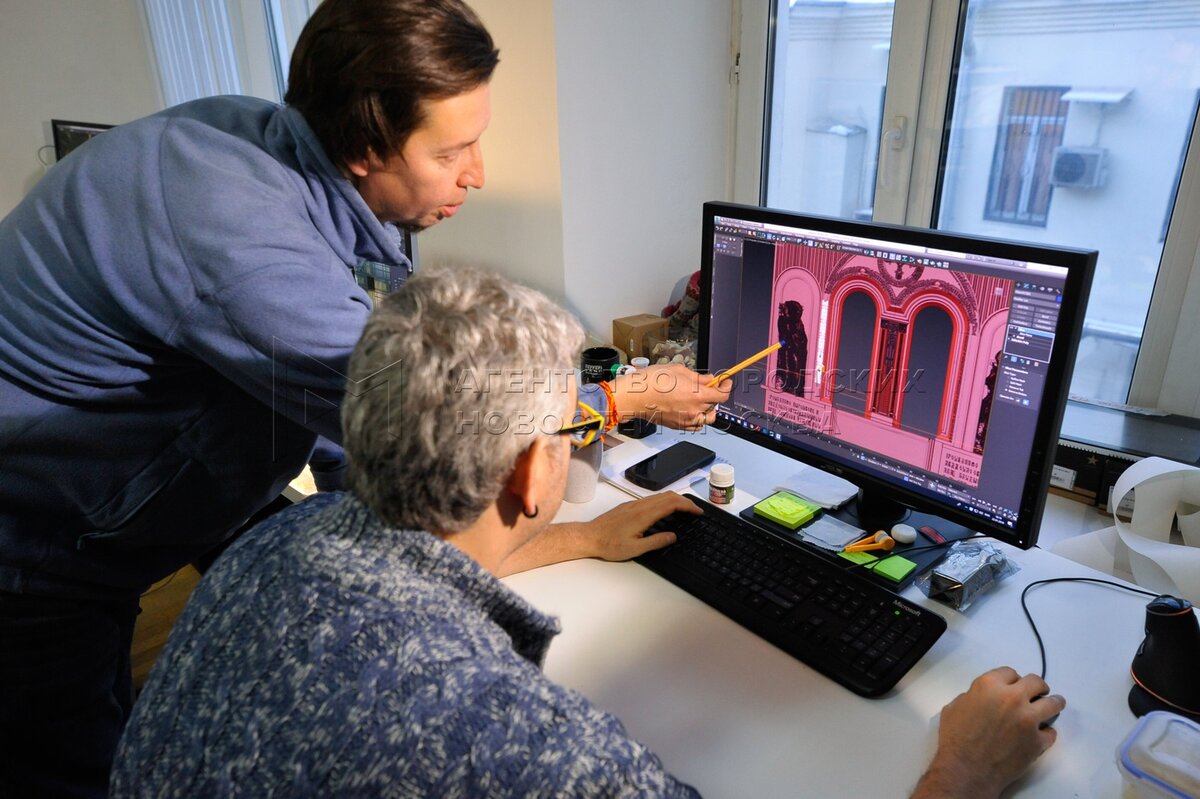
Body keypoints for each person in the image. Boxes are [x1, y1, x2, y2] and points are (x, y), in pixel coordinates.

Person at [0, 0, 727, 795]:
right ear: (363, 148)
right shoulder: (249, 253)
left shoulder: (267, 148)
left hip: (130, 505)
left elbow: (383, 459)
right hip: (36, 545)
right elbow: (453, 420)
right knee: (71, 759)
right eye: (452, 150)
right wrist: (623, 398)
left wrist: (582, 536)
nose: (478, 173)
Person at [111, 267, 1066, 798]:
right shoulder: (503, 738)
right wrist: (964, 769)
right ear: (535, 470)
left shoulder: (276, 542)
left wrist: (584, 538)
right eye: (574, 423)